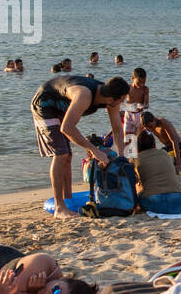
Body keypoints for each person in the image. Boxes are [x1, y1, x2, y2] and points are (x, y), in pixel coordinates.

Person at [31, 73, 128, 220]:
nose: (123, 102)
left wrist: (121, 156)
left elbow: (117, 129)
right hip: (45, 104)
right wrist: (94, 150)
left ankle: (68, 200)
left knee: (68, 156)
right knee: (61, 154)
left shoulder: (111, 97)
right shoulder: (84, 95)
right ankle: (59, 208)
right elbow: (67, 128)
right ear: (110, 99)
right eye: (121, 100)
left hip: (62, 107)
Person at [133, 131, 181, 214]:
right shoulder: (165, 154)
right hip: (178, 203)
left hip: (153, 204)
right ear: (154, 144)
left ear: (137, 146)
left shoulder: (135, 159)